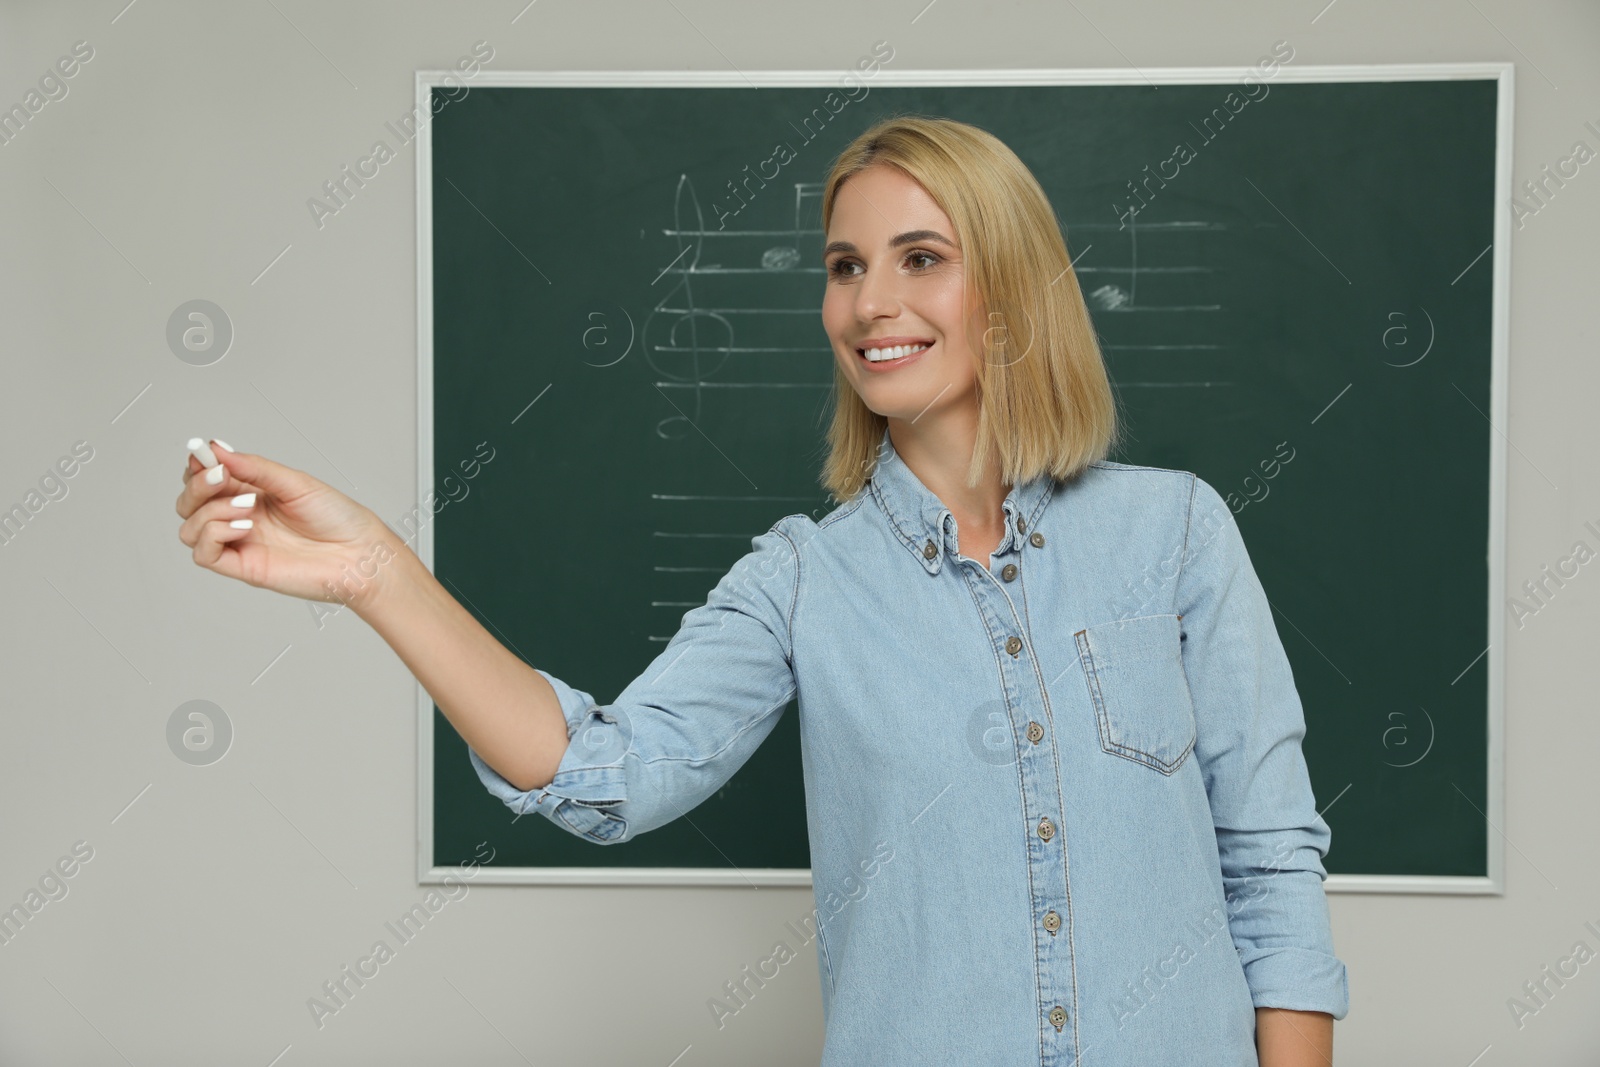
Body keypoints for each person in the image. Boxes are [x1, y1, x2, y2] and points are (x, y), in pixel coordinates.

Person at [175, 115, 1346, 1065]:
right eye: (845, 267)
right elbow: (604, 774)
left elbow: (1269, 855)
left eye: (919, 258)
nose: (869, 302)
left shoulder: (1174, 530)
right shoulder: (803, 577)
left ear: (1008, 291)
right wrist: (381, 574)